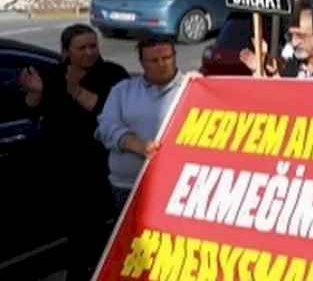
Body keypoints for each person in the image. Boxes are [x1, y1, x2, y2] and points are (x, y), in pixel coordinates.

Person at [18, 25, 129, 281]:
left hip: (97, 169)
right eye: (82, 48)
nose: (90, 52)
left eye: (93, 46)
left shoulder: (113, 74)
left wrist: (75, 90)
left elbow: (109, 114)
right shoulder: (52, 74)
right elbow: (32, 113)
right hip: (60, 168)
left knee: (92, 234)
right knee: (70, 232)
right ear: (66, 51)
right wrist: (35, 94)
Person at [96, 38, 188, 213]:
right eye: (154, 60)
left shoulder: (191, 87)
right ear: (142, 63)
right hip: (127, 185)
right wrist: (137, 145)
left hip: (175, 185)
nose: (162, 64)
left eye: (167, 57)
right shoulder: (122, 90)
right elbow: (106, 127)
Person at [241, 3, 313, 80]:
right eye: (291, 35)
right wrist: (258, 70)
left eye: (301, 36)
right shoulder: (285, 67)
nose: (295, 42)